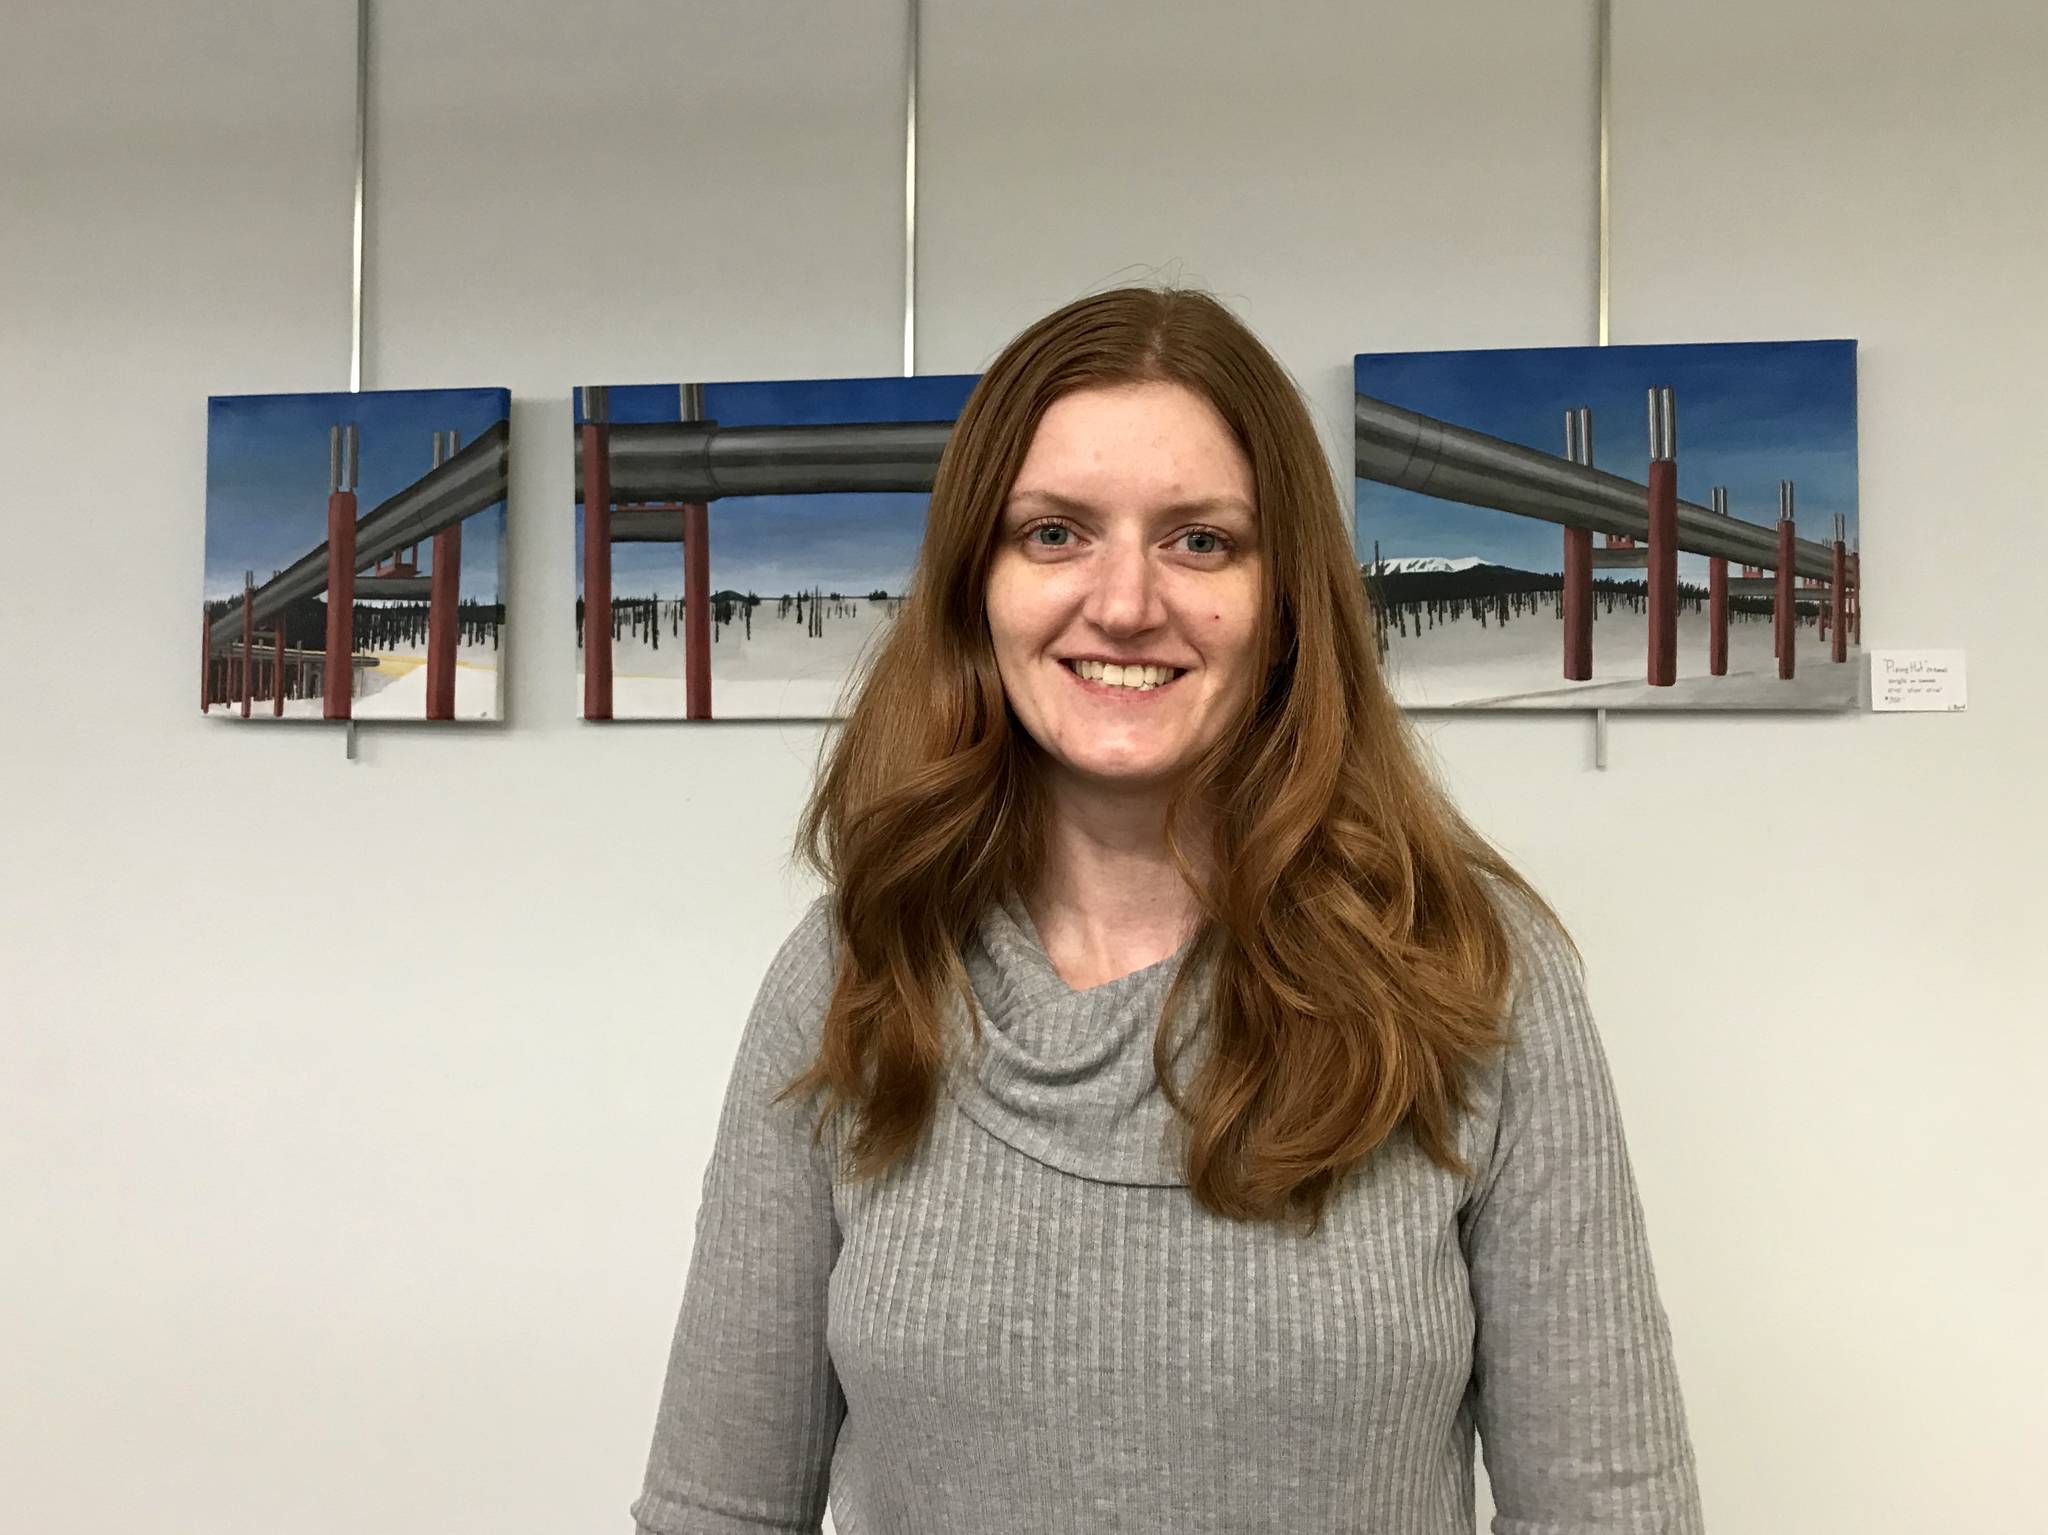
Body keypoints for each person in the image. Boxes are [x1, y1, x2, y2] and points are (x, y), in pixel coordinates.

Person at [629, 286, 1706, 1533]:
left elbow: (1609, 1512)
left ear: (1284, 597)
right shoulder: (853, 973)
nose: (1126, 601)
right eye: (1053, 533)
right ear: (975, 582)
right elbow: (717, 1511)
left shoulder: (1466, 971)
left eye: (1200, 540)